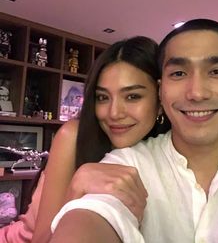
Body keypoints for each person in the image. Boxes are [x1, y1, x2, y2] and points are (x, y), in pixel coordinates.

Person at [50, 18, 218, 243]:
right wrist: (77, 190)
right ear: (162, 91)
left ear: (156, 98)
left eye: (216, 71)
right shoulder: (119, 161)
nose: (196, 93)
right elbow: (94, 214)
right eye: (178, 73)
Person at [0, 35, 168, 243]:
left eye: (132, 96)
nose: (114, 113)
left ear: (160, 100)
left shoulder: (163, 154)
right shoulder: (73, 136)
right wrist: (77, 185)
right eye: (102, 97)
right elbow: (40, 239)